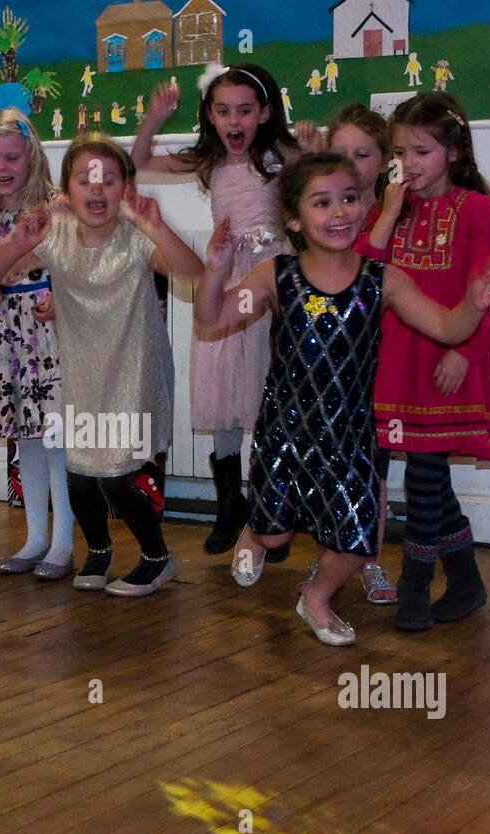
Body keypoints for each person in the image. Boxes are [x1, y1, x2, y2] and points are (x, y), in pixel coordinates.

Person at [196, 153, 490, 644]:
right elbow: (212, 320)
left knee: (360, 540)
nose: (339, 212)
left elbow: (448, 327)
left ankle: (315, 597)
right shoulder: (277, 276)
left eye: (349, 199)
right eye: (322, 203)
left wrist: (474, 301)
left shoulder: (383, 279)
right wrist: (216, 270)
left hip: (351, 436)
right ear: (296, 220)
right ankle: (254, 532)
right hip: (286, 433)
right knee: (276, 536)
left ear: (366, 207)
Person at [0, 133, 204, 596]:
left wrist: (160, 227)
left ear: (126, 189)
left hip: (133, 373)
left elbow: (194, 274)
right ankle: (98, 552)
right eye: (85, 180)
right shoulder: (56, 238)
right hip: (83, 374)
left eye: (109, 180)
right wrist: (19, 240)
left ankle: (158, 558)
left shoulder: (137, 240)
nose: (97, 191)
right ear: (66, 191)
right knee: (81, 478)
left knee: (119, 479)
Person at [131, 62, 311, 559]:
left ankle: (272, 507)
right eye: (223, 110)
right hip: (226, 277)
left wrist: (316, 151)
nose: (235, 121)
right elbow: (140, 162)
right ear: (209, 115)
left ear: (266, 112)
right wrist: (154, 117)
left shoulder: (280, 155)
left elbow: (326, 180)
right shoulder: (208, 160)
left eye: (246, 111)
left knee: (274, 387)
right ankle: (230, 504)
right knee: (225, 384)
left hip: (274, 277)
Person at [359, 93, 490, 632]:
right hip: (395, 363)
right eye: (400, 151)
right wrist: (391, 211)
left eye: (422, 150)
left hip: (448, 365)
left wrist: (465, 351)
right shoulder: (389, 208)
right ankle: (466, 580)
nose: (409, 163)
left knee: (423, 478)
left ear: (452, 152)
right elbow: (361, 276)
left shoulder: (477, 208)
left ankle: (414, 586)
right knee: (432, 483)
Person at [0, 108, 73, 580]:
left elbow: (73, 267)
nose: (2, 168)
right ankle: (35, 538)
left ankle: (63, 540)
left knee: (56, 437)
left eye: (12, 157)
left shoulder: (56, 206)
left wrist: (57, 298)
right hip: (10, 333)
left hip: (48, 333)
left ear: (32, 156)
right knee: (27, 437)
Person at [323, 103, 399, 605]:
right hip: (334, 358)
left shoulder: (395, 210)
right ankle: (332, 552)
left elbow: (374, 267)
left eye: (363, 153)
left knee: (374, 468)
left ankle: (370, 559)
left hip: (384, 357)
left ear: (385, 158)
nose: (352, 162)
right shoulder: (328, 211)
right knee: (330, 464)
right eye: (341, 153)